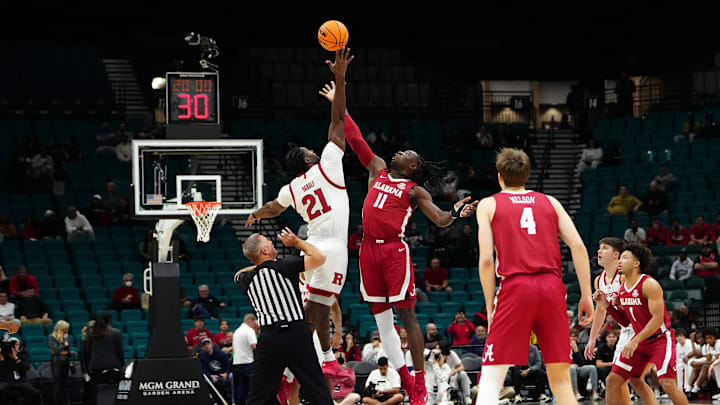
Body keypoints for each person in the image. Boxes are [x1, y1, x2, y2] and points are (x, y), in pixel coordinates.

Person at [341, 86, 478, 404]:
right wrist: (340, 100)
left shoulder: (415, 191)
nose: (397, 153)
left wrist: (456, 211)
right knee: (381, 320)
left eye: (404, 154)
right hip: (367, 250)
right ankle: (406, 379)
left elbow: (441, 219)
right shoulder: (377, 170)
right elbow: (355, 138)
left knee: (407, 317)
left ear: (412, 166)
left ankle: (418, 380)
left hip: (393, 251)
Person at [244, 49, 354, 380]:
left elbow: (273, 209)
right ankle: (287, 366)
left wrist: (255, 215)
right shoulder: (329, 165)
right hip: (330, 247)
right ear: (307, 160)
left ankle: (315, 363)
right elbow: (338, 122)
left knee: (317, 310)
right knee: (312, 314)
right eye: (310, 151)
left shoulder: (290, 190)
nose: (314, 150)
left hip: (315, 244)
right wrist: (340, 76)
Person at [475, 147, 593, 405]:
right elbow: (579, 246)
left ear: (499, 176)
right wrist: (586, 294)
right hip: (552, 287)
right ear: (527, 174)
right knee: (561, 382)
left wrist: (489, 304)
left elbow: (486, 260)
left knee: (491, 378)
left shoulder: (489, 204)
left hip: (516, 286)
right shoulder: (550, 202)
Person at [234, 229, 333, 404]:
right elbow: (320, 257)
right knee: (316, 388)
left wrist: (258, 263)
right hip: (296, 334)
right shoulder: (286, 265)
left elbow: (238, 274)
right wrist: (297, 242)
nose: (272, 243)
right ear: (264, 251)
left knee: (258, 396)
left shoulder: (245, 279)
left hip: (268, 339)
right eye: (268, 242)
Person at [598, 243, 688, 405]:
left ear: (636, 263)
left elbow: (657, 319)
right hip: (641, 341)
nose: (620, 261)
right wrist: (607, 306)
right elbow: (626, 321)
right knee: (614, 380)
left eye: (625, 257)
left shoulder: (649, 284)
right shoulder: (623, 288)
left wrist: (635, 340)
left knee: (667, 384)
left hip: (660, 339)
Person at [583, 237, 655, 404]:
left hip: (641, 330)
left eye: (605, 248)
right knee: (623, 381)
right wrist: (592, 339)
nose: (599, 251)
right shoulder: (599, 280)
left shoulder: (625, 277)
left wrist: (619, 303)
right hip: (626, 331)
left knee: (625, 380)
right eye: (599, 248)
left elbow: (640, 305)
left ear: (616, 255)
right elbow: (600, 310)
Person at [84, 313, 124, 405]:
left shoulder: (92, 333)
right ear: (110, 320)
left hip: (95, 367)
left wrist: (87, 367)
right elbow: (119, 351)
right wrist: (121, 365)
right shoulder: (116, 333)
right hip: (113, 365)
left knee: (96, 392)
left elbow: (87, 352)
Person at [0, 336, 42, 404]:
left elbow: (24, 369)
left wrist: (16, 358)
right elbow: (2, 372)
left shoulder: (23, 356)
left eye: (16, 344)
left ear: (20, 346)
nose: (14, 346)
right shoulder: (4, 357)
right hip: (6, 382)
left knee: (35, 393)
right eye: (11, 344)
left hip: (21, 382)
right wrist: (2, 359)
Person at [233, 313, 258, 405]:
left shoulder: (237, 331)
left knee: (239, 389)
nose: (254, 325)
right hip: (247, 363)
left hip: (236, 363)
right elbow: (254, 346)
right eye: (254, 323)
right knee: (249, 389)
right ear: (250, 321)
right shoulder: (249, 331)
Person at [48, 320, 75, 405]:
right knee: (57, 384)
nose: (66, 331)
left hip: (65, 361)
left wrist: (70, 352)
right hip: (57, 362)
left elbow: (65, 351)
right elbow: (55, 350)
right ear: (61, 329)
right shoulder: (52, 337)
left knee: (65, 384)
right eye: (65, 329)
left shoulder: (65, 337)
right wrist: (64, 344)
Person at [569, 329, 600, 401]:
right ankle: (576, 393)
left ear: (577, 337)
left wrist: (576, 350)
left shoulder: (580, 346)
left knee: (592, 368)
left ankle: (594, 393)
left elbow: (582, 362)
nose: (572, 339)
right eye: (571, 336)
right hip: (567, 368)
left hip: (578, 368)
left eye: (574, 337)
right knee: (572, 368)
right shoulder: (563, 346)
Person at [198, 337, 232, 401]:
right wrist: (210, 376)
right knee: (205, 380)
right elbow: (204, 369)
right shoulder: (202, 357)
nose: (207, 346)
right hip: (212, 376)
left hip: (223, 374)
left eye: (208, 344)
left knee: (231, 377)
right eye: (204, 345)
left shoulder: (221, 354)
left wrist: (226, 373)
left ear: (212, 345)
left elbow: (228, 365)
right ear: (203, 347)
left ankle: (233, 400)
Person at [675, 329, 694, 393]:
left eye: (680, 336)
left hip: (691, 360)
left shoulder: (688, 342)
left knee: (687, 366)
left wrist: (687, 357)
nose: (679, 338)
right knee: (678, 367)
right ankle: (679, 388)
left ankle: (687, 387)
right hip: (682, 362)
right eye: (677, 336)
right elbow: (677, 358)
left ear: (684, 336)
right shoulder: (677, 345)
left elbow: (694, 352)